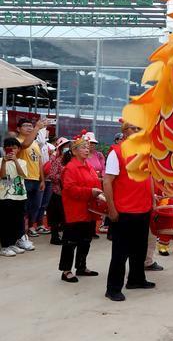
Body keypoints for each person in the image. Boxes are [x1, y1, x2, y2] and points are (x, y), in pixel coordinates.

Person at [103, 121, 155, 302]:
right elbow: (107, 181)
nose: (137, 131)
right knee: (120, 252)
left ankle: (136, 279)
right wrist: (111, 208)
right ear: (124, 132)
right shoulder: (116, 152)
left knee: (140, 249)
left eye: (140, 128)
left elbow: (150, 178)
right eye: (134, 128)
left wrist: (153, 199)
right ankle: (113, 288)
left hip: (143, 208)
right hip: (124, 210)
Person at [59, 136, 104, 283]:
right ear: (74, 151)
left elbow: (96, 182)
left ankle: (81, 267)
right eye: (83, 147)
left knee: (85, 240)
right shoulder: (70, 168)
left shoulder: (88, 166)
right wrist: (90, 192)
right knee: (71, 241)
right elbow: (70, 189)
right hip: (75, 210)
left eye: (87, 147)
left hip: (89, 210)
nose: (87, 149)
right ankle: (66, 271)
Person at [17, 118, 46, 238]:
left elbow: (39, 162)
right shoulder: (17, 141)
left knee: (35, 206)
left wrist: (42, 179)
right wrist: (37, 128)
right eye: (26, 126)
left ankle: (30, 228)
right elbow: (24, 145)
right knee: (23, 207)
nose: (29, 127)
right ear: (18, 129)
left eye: (31, 125)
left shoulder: (35, 143)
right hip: (24, 179)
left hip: (36, 179)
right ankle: (21, 232)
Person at [1, 136, 30, 257]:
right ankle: (5, 246)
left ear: (18, 149)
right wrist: (4, 162)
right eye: (9, 148)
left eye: (14, 148)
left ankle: (13, 243)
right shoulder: (1, 161)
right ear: (4, 149)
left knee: (17, 221)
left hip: (20, 196)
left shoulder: (22, 162)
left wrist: (15, 161)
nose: (12, 151)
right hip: (5, 197)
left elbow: (23, 175)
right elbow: (2, 177)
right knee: (6, 222)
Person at [43, 137, 70, 245]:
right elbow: (52, 175)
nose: (67, 149)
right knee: (55, 216)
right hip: (57, 192)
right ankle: (54, 237)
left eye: (68, 146)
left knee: (65, 216)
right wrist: (64, 176)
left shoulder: (70, 161)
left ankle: (65, 236)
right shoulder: (57, 161)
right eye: (65, 147)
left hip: (67, 193)